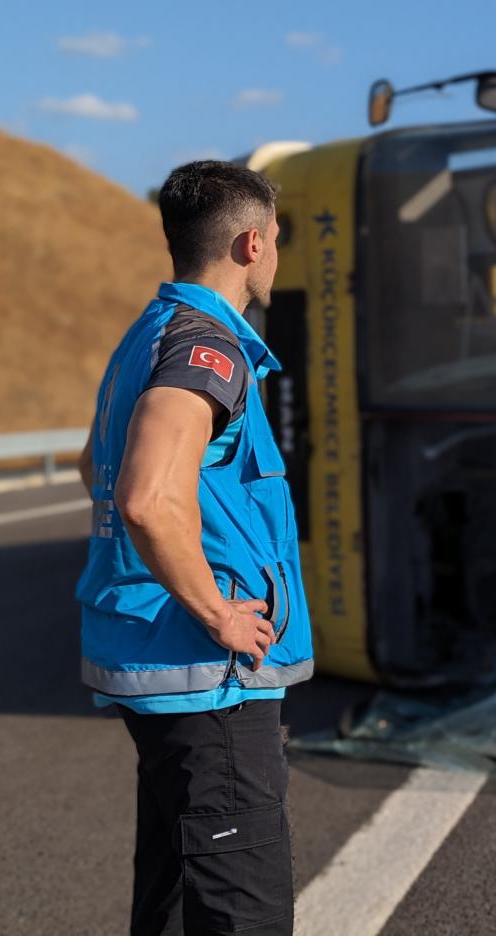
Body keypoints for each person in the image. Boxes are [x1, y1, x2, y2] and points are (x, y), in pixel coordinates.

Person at [76, 160, 313, 936]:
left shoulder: (149, 334)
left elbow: (95, 468)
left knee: (177, 901)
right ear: (250, 244)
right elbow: (144, 496)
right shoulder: (209, 350)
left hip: (160, 665)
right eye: (275, 239)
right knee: (240, 910)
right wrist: (217, 612)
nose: (276, 254)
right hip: (209, 679)